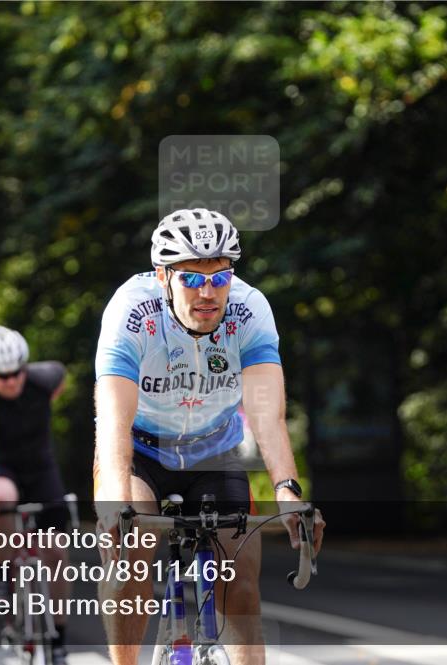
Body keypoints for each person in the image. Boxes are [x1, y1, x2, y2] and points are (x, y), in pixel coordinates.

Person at [93, 209, 326, 665]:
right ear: (163, 276)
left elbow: (267, 414)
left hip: (214, 451)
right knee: (130, 556)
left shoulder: (249, 308)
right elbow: (114, 421)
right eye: (191, 279)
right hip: (142, 451)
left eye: (220, 279)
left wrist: (288, 491)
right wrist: (116, 506)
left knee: (241, 588)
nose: (207, 293)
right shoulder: (131, 312)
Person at [0, 325, 70, 663]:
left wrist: (49, 401)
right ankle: (2, 567)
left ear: (25, 367)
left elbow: (62, 375)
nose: (11, 381)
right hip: (4, 471)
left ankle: (58, 636)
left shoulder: (43, 379)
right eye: (3, 375)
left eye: (16, 373)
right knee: (2, 496)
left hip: (41, 470)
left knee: (56, 554)